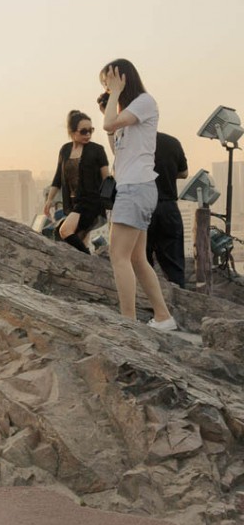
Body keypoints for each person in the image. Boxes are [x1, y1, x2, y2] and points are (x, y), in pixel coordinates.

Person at [100, 59, 177, 330]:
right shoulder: (130, 113)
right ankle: (163, 317)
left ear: (120, 78)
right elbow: (117, 151)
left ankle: (128, 323)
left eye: (108, 82)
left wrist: (114, 97)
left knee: (118, 256)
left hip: (135, 189)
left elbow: (108, 125)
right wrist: (109, 105)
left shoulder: (144, 102)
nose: (106, 88)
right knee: (136, 258)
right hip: (133, 187)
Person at [43, 110, 110, 254]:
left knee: (64, 230)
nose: (88, 135)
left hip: (91, 201)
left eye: (90, 130)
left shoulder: (97, 150)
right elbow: (57, 177)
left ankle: (88, 259)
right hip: (73, 203)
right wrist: (49, 200)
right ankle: (89, 263)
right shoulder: (65, 150)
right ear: (72, 132)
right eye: (83, 131)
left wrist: (109, 203)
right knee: (78, 239)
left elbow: (107, 178)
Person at [148, 131, 189, 288]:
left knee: (142, 260)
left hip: (144, 206)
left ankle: (149, 304)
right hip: (168, 206)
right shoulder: (172, 142)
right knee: (174, 264)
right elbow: (184, 173)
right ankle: (179, 304)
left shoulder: (134, 140)